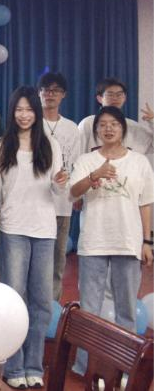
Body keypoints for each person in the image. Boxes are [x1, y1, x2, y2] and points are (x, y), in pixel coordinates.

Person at [0, 87, 67, 389]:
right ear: (12, 112)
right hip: (13, 230)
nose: (24, 115)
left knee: (41, 301)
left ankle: (34, 365)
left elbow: (57, 189)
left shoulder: (50, 145)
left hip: (44, 230)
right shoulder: (0, 146)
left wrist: (60, 182)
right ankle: (14, 366)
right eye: (19, 109)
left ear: (37, 112)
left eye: (29, 109)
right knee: (15, 300)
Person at [69, 106, 153, 376]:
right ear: (96, 131)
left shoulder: (139, 162)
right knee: (89, 310)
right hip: (93, 242)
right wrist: (94, 175)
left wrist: (147, 241)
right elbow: (73, 193)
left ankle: (126, 369)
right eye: (103, 124)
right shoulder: (86, 160)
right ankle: (84, 367)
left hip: (128, 242)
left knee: (126, 310)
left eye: (114, 124)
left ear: (123, 129)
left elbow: (145, 203)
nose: (108, 128)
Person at [37, 72, 82, 301]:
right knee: (35, 262)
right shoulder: (31, 123)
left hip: (62, 205)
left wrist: (75, 195)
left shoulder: (72, 128)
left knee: (57, 261)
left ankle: (53, 306)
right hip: (35, 203)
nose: (50, 94)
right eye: (46, 89)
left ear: (63, 95)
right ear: (39, 93)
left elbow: (76, 164)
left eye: (55, 90)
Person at [77, 77, 153, 159]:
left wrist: (153, 120)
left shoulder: (134, 127)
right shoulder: (88, 123)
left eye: (119, 95)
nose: (115, 98)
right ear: (99, 98)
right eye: (110, 95)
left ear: (124, 98)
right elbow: (76, 153)